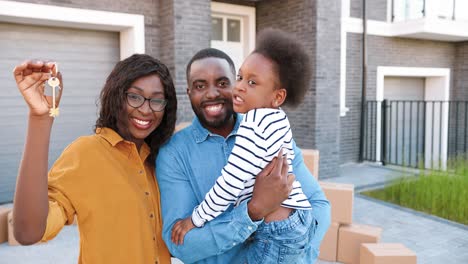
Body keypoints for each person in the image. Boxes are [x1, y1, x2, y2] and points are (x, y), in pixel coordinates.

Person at [156, 35, 331, 263]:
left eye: (222, 83)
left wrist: (298, 256)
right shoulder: (174, 153)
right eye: (200, 86)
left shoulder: (265, 132)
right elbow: (180, 244)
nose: (211, 93)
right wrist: (254, 211)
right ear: (189, 93)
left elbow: (318, 206)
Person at [12, 54, 176, 264]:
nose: (146, 109)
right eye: (134, 97)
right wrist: (40, 118)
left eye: (157, 100)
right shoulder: (86, 153)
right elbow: (28, 232)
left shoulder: (160, 160)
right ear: (116, 96)